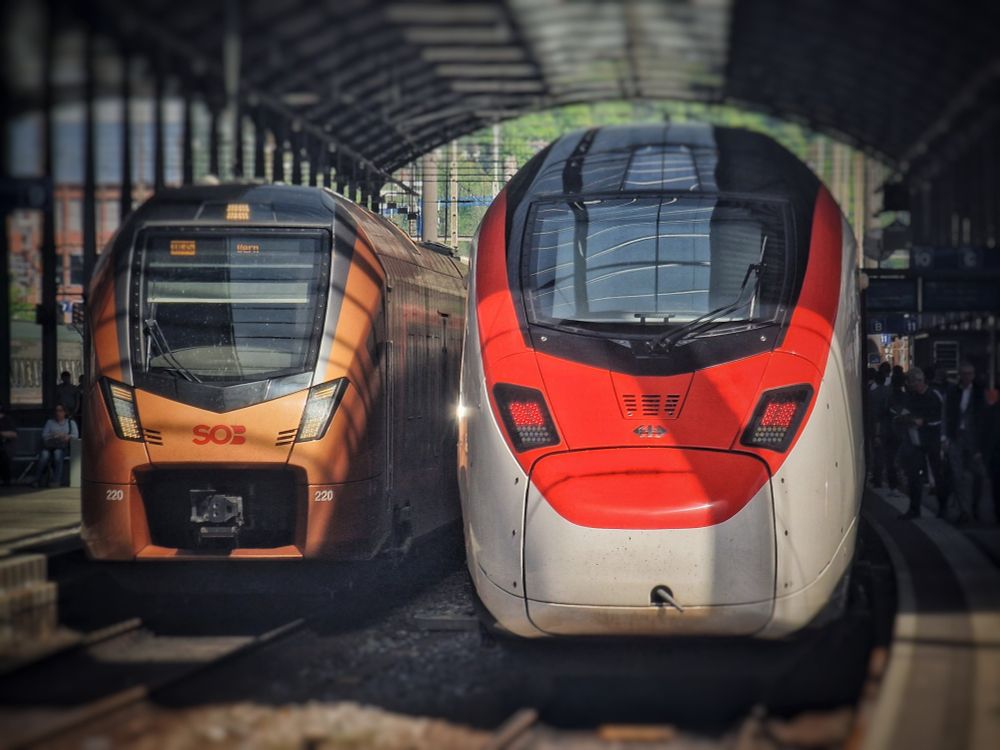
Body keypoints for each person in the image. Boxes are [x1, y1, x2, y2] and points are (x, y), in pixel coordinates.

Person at [894, 367, 944, 519]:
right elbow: (900, 415)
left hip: (932, 441)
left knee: (938, 475)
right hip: (915, 442)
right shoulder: (910, 397)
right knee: (913, 476)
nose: (912, 386)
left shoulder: (934, 396)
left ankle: (942, 508)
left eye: (913, 383)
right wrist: (909, 420)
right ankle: (914, 508)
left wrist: (925, 422)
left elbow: (943, 418)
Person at [943, 361, 987, 523]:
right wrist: (944, 437)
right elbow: (945, 414)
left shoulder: (980, 392)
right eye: (964, 374)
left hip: (974, 439)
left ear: (974, 375)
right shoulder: (953, 391)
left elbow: (985, 417)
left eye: (970, 374)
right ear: (960, 375)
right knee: (957, 475)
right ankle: (964, 511)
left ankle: (974, 507)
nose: (967, 377)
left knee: (978, 474)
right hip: (956, 436)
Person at [33, 404, 79, 488]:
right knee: (44, 456)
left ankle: (56, 480)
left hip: (62, 447)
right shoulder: (50, 422)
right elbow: (44, 435)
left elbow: (75, 436)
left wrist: (66, 436)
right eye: (56, 410)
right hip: (50, 446)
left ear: (65, 412)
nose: (58, 413)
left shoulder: (70, 422)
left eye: (60, 410)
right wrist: (54, 435)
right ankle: (37, 480)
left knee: (58, 455)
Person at [0, 404, 16, 487]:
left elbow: (13, 434)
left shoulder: (7, 420)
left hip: (6, 446)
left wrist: (2, 434)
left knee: (4, 455)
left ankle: (6, 481)